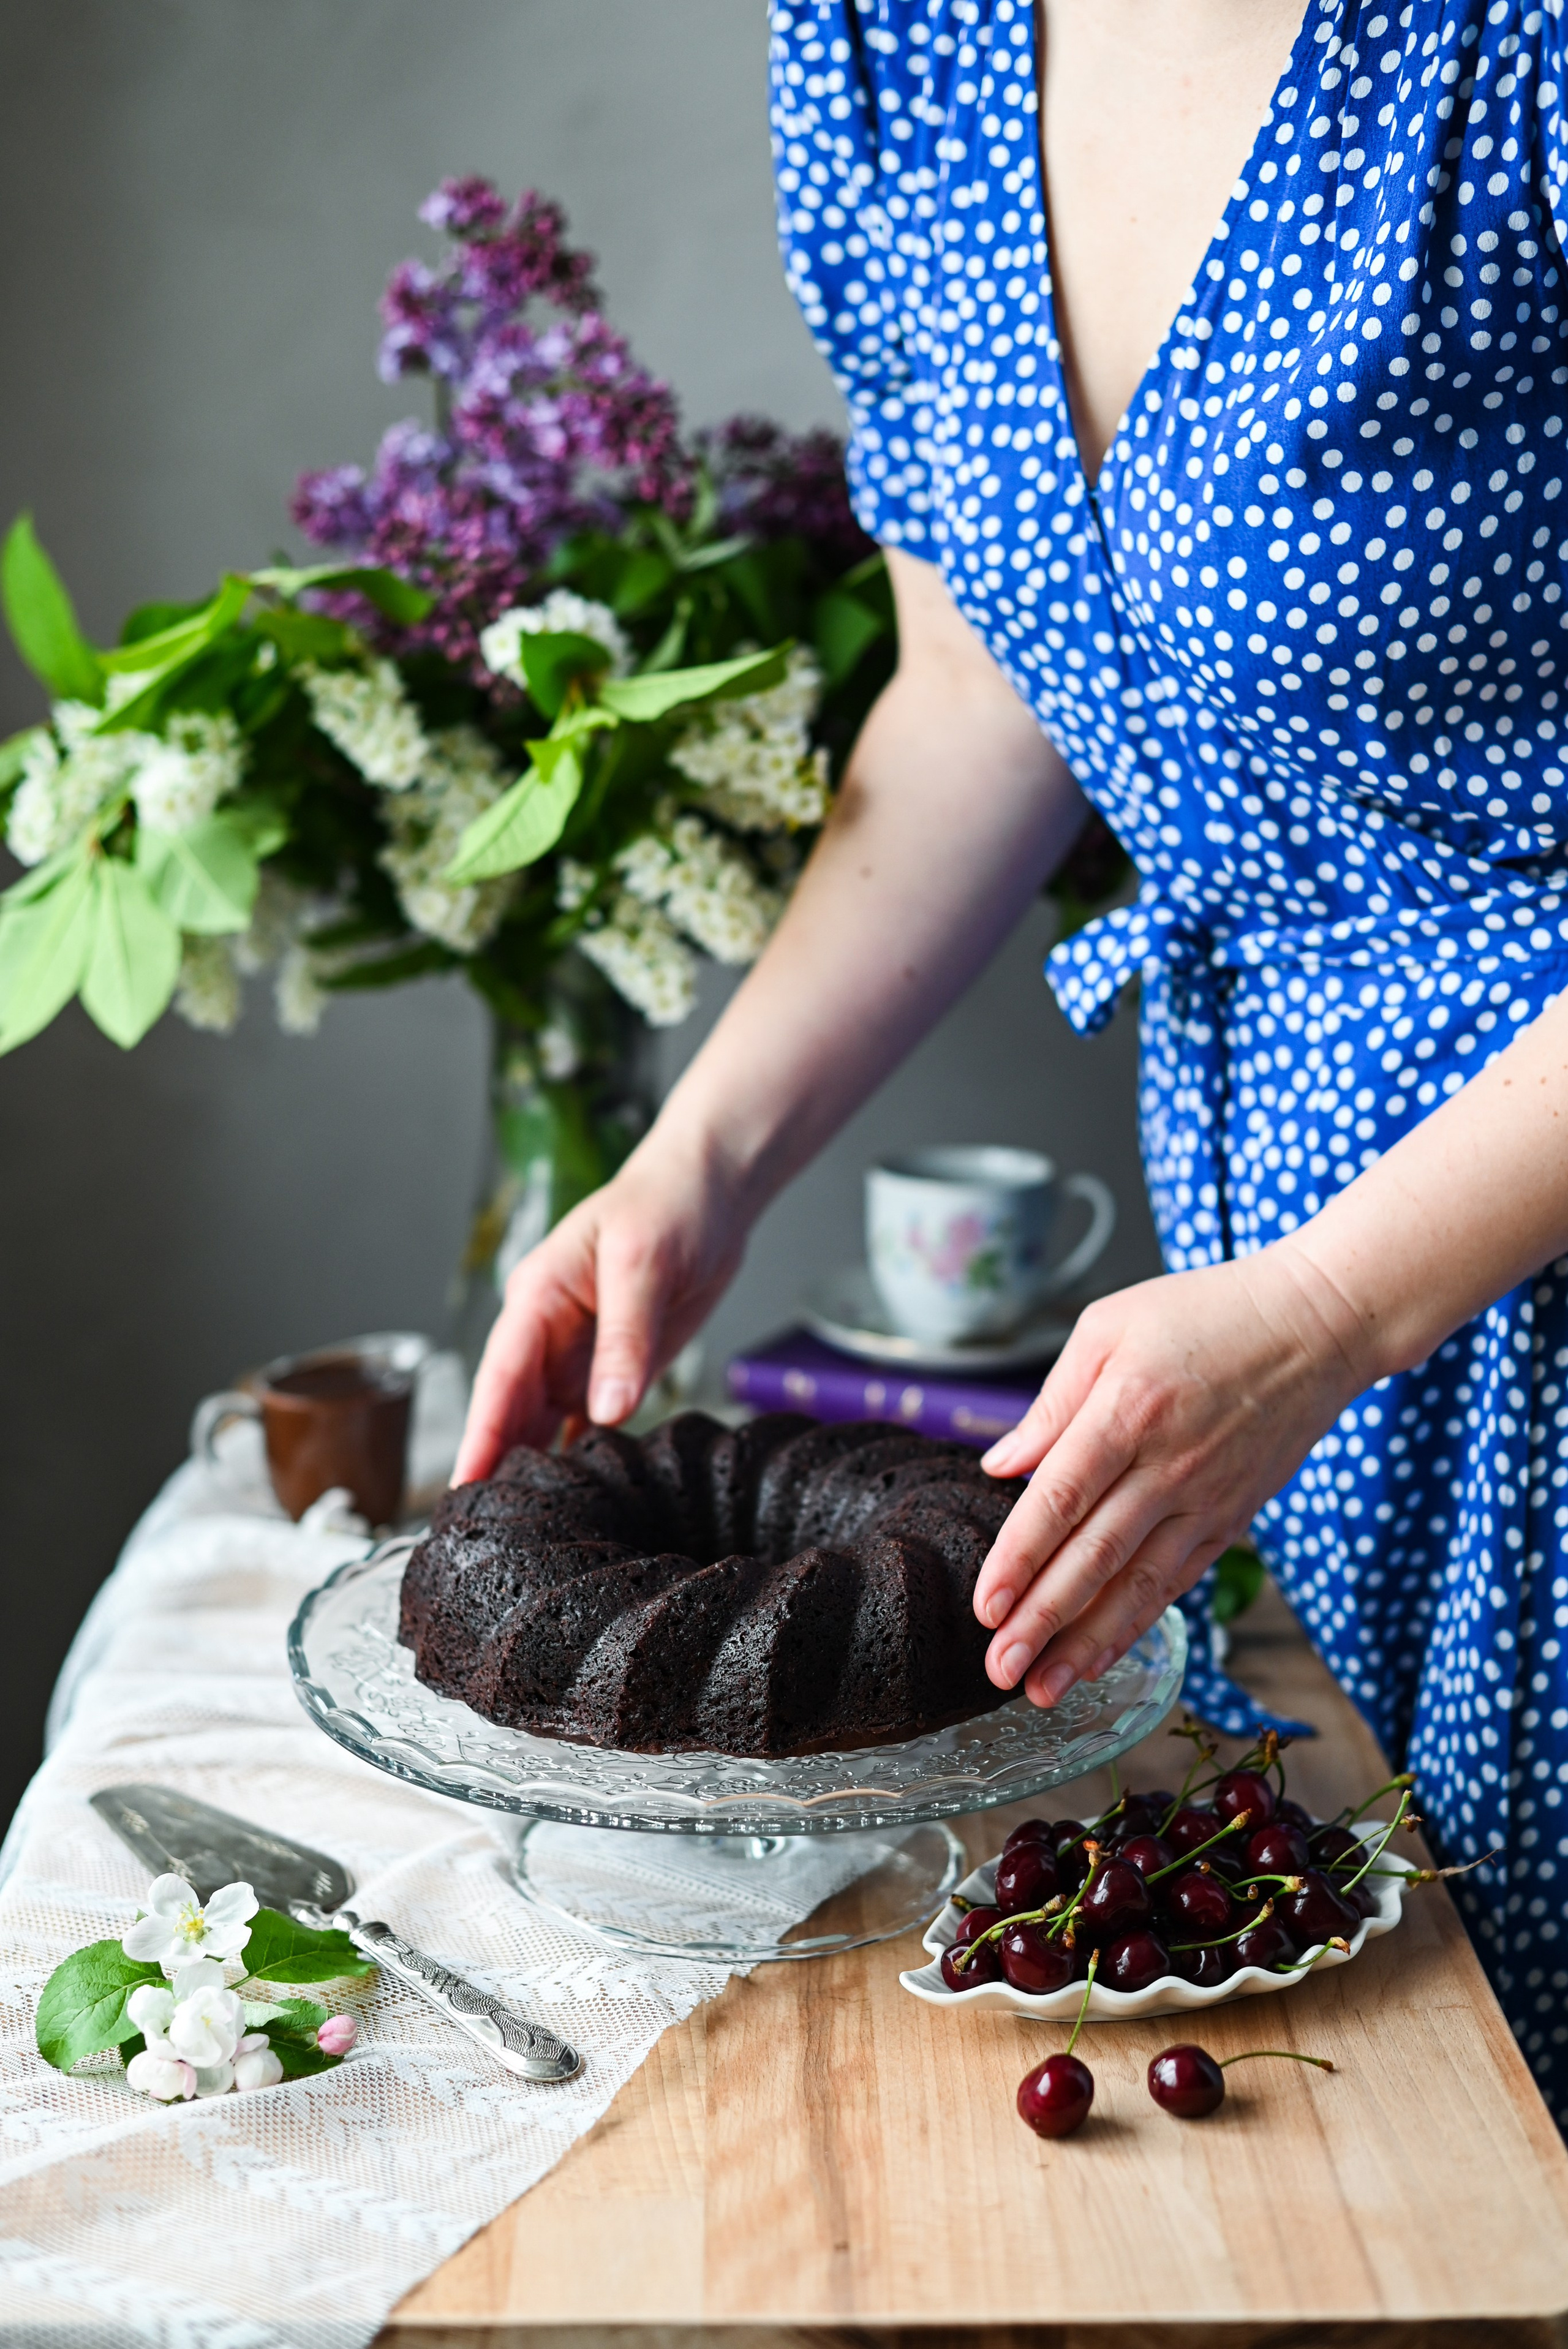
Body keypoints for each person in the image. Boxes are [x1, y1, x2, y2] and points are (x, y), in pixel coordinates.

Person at [456, 0, 1568, 2119]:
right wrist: (704, 1154)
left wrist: (1331, 1303)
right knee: (1419, 2076)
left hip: (1475, 1215)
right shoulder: (895, 45)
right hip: (1289, 1241)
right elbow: (980, 681)